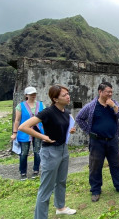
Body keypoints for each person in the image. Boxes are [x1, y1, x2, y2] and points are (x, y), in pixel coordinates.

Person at [18, 85, 76, 218]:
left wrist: (70, 131)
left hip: (63, 150)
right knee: (46, 187)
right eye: (64, 95)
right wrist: (43, 137)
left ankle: (60, 207)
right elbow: (23, 126)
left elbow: (61, 128)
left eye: (68, 94)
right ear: (55, 99)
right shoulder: (48, 112)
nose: (68, 96)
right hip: (50, 152)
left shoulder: (66, 112)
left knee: (61, 181)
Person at [76, 82, 119, 202]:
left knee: (116, 164)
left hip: (112, 140)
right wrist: (88, 131)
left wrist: (113, 106)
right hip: (97, 141)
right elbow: (79, 118)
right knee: (95, 166)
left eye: (111, 92)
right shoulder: (91, 106)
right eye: (108, 92)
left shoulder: (114, 103)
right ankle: (96, 190)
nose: (110, 94)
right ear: (100, 92)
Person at [11, 86, 45, 180]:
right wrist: (15, 132)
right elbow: (17, 120)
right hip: (24, 132)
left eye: (34, 93)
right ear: (26, 95)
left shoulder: (41, 105)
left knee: (37, 152)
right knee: (24, 152)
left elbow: (46, 118)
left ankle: (36, 170)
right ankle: (23, 172)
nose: (33, 95)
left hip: (38, 131)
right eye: (31, 94)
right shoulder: (20, 106)